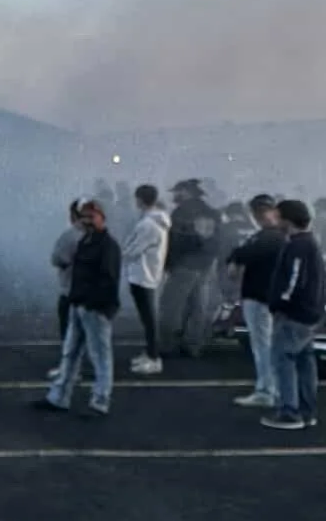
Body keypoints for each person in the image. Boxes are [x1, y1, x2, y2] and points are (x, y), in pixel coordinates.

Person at [36, 198, 121, 417]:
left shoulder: (108, 246)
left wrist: (98, 306)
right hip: (79, 304)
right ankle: (58, 397)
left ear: (102, 217)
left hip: (95, 308)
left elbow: (109, 280)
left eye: (92, 216)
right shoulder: (87, 241)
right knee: (70, 353)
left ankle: (100, 402)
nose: (87, 220)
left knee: (100, 358)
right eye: (84, 216)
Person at [261, 198, 324, 433]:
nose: (275, 221)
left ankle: (289, 412)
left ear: (287, 219)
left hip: (293, 314)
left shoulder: (297, 245)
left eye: (278, 217)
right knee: (305, 362)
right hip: (310, 314)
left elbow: (293, 281)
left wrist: (278, 303)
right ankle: (307, 412)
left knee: (283, 360)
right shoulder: (311, 243)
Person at [227, 194, 284, 409]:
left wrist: (235, 258)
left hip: (261, 297)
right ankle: (270, 388)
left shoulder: (271, 236)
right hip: (261, 295)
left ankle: (267, 390)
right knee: (264, 346)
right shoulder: (267, 235)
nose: (260, 215)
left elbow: (245, 251)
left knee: (263, 347)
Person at [158, 178, 221, 357]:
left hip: (184, 265)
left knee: (170, 306)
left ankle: (166, 345)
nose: (175, 196)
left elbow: (176, 240)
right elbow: (216, 241)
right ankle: (193, 345)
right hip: (204, 266)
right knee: (198, 307)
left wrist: (168, 263)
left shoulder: (182, 212)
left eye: (178, 192)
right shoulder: (211, 212)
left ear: (187, 192)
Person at [121, 184, 170, 375]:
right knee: (148, 318)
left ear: (140, 200)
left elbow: (133, 249)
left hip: (143, 275)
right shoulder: (155, 221)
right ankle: (150, 353)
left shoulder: (148, 225)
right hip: (148, 273)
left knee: (149, 319)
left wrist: (123, 253)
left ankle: (154, 358)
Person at [47, 200, 85, 379]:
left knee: (69, 331)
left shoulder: (70, 236)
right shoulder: (100, 235)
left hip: (70, 290)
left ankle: (71, 369)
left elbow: (57, 259)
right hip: (92, 291)